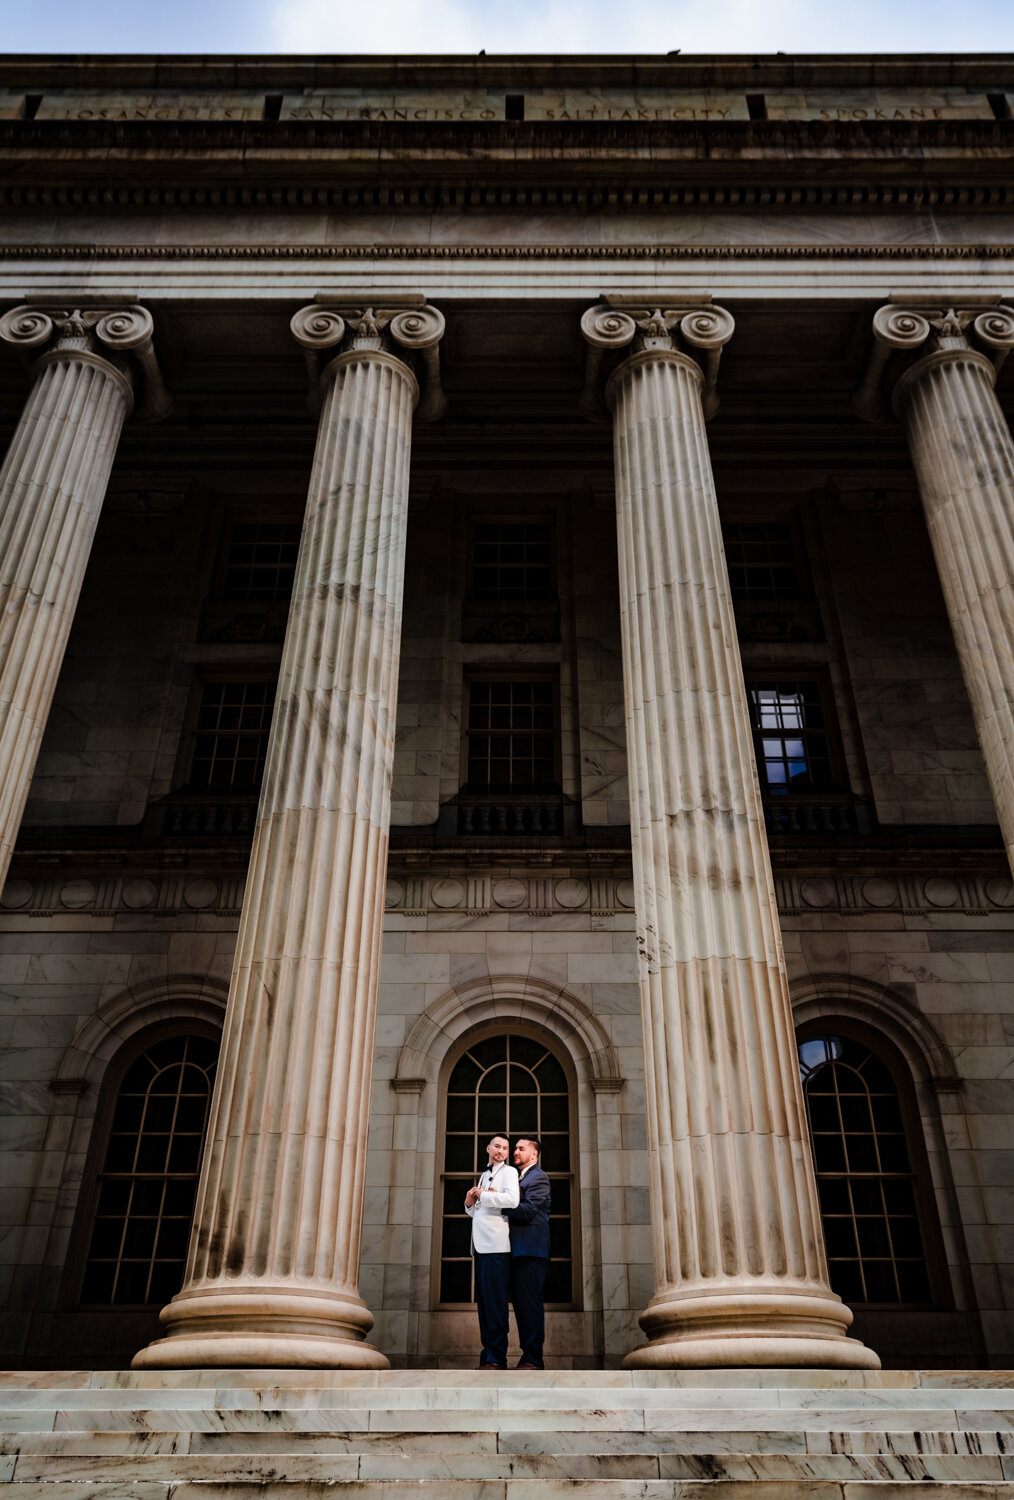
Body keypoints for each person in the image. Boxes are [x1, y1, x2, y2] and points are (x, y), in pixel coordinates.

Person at [463, 1133, 519, 1370]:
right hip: (480, 1246)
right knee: (484, 1304)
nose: (501, 1151)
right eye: (497, 1146)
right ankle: (487, 1355)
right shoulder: (485, 1174)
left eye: (505, 1148)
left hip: (497, 1246)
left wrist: (484, 1195)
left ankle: (497, 1358)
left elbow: (512, 1200)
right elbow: (478, 1211)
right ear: (488, 1148)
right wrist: (469, 1202)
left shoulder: (509, 1172)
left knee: (496, 1304)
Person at [504, 1135, 551, 1370]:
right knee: (522, 1306)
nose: (515, 1152)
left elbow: (529, 1210)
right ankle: (528, 1356)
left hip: (531, 1251)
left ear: (534, 1154)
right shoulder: (518, 1178)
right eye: (515, 1149)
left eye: (521, 1149)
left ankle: (533, 1358)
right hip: (516, 1251)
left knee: (530, 1306)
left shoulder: (538, 1177)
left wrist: (498, 1201)